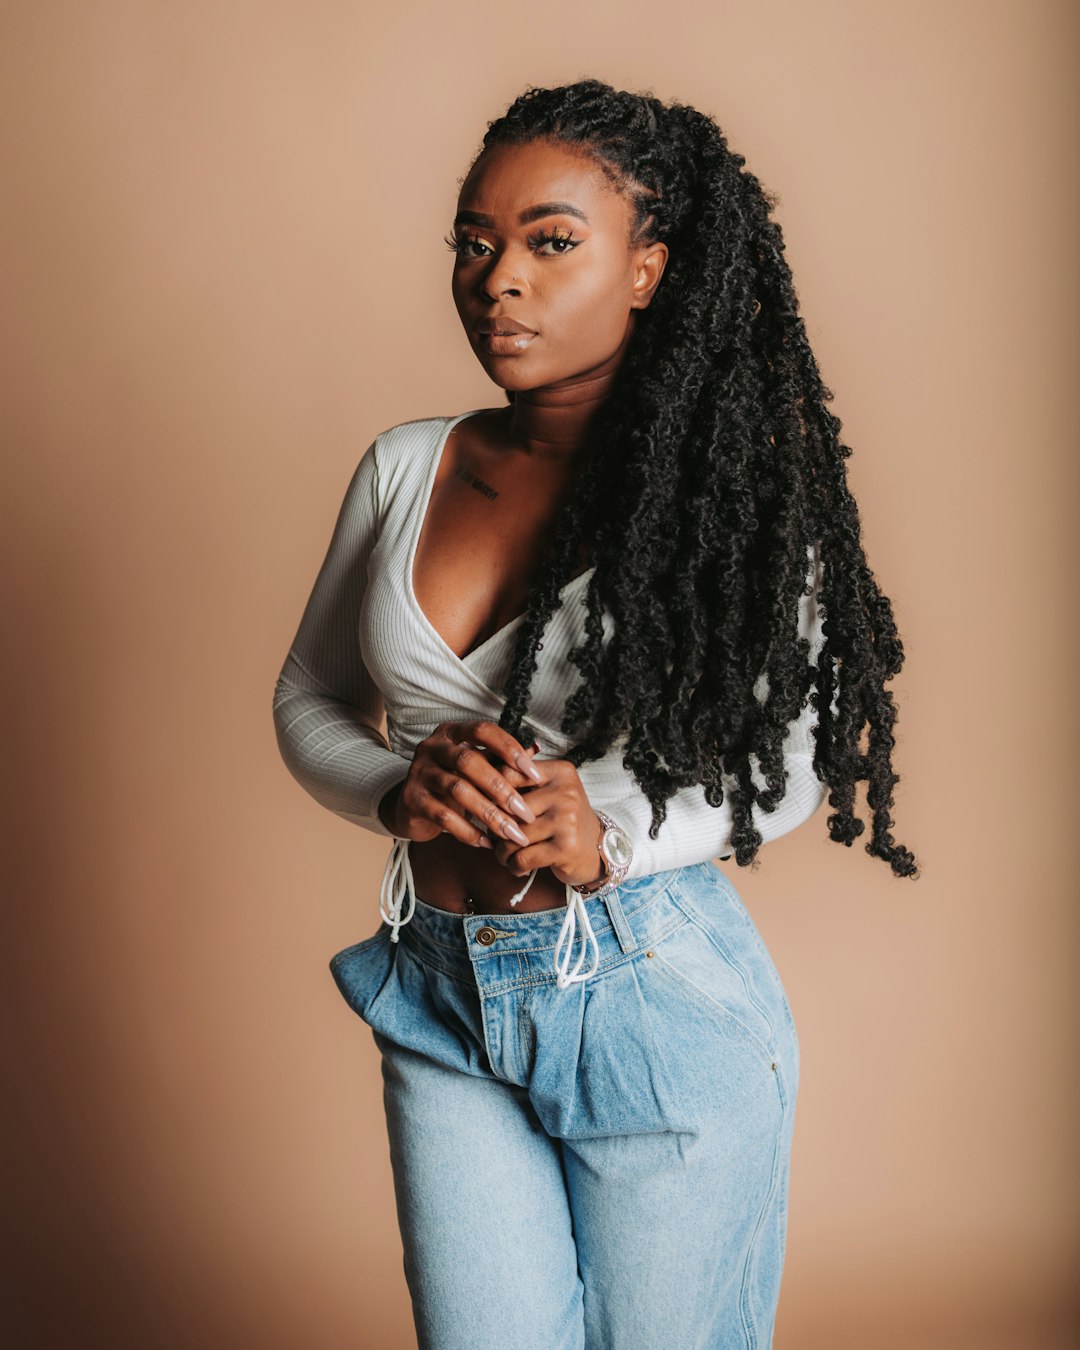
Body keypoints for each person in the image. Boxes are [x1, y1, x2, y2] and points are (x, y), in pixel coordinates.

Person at [272, 78, 918, 1350]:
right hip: (437, 984)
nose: (497, 278)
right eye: (476, 241)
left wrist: (611, 826)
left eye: (551, 242)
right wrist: (394, 792)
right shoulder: (408, 467)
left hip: (648, 991)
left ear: (647, 269)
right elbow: (311, 697)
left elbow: (790, 758)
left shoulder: (724, 494)